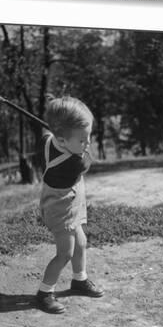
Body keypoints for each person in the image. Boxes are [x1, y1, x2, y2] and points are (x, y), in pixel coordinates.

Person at [35, 96, 104, 314]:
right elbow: (87, 162)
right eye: (83, 140)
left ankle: (79, 280)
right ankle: (44, 292)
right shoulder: (74, 162)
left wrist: (58, 117)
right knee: (65, 253)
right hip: (61, 207)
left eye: (88, 137)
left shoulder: (48, 140)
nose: (88, 144)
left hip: (69, 201)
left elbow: (46, 133)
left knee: (81, 243)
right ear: (63, 141)